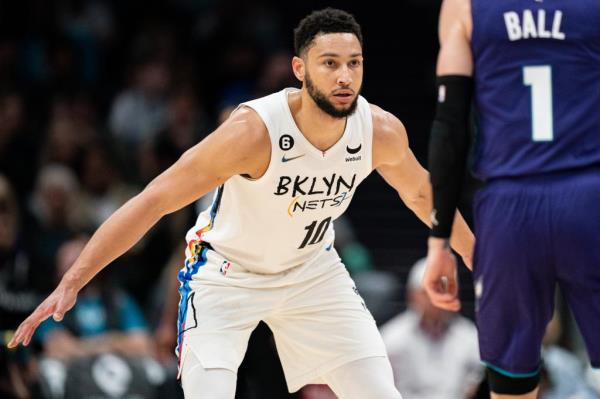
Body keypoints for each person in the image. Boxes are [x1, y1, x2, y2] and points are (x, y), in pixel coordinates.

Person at [9, 8, 474, 398]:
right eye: (329, 63)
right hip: (227, 276)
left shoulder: (380, 131)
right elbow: (154, 201)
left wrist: (486, 264)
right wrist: (72, 281)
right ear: (299, 69)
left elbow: (423, 195)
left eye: (354, 63)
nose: (344, 76)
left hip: (312, 272)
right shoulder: (253, 133)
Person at [424, 1, 600, 398]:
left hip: (510, 204)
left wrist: (440, 242)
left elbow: (449, 129)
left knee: (511, 383)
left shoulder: (463, 8)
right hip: (588, 195)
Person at [380, 258, 482, 399]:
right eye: (427, 293)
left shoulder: (472, 338)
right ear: (412, 295)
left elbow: (477, 383)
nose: (435, 300)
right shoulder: (390, 338)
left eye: (442, 291)